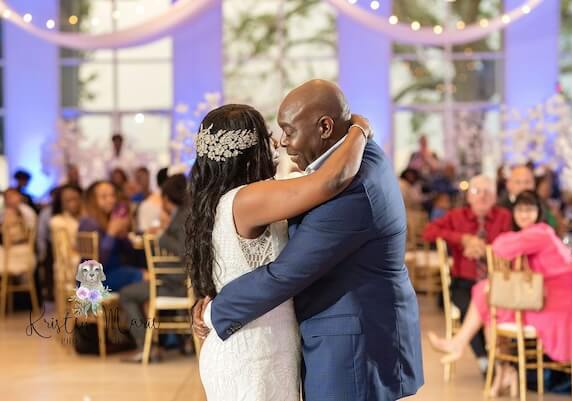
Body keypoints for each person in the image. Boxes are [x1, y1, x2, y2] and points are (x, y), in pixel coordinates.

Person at [193, 80, 423, 401]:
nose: (281, 143)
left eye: (287, 131)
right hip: (253, 344)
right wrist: (358, 128)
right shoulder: (257, 196)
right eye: (274, 135)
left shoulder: (348, 184)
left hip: (345, 348)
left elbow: (286, 272)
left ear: (325, 127)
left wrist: (213, 310)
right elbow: (326, 181)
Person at [428, 190, 572, 396]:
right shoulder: (535, 233)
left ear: (539, 212)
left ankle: (469, 349)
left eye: (530, 209)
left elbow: (500, 247)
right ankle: (504, 370)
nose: (524, 214)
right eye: (520, 209)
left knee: (487, 295)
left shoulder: (540, 232)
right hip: (543, 298)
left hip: (551, 305)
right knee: (488, 300)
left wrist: (502, 240)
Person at [423, 175, 512, 374]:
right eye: (476, 192)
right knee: (467, 306)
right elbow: (428, 231)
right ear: (468, 197)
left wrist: (486, 250)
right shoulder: (456, 216)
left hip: (496, 281)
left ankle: (496, 363)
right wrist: (461, 239)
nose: (481, 197)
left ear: (495, 197)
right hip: (464, 281)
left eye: (487, 193)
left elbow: (513, 245)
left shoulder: (504, 216)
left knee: (491, 306)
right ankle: (486, 361)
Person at [120, 174, 189, 363]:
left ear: (166, 198)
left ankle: (145, 347)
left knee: (127, 294)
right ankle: (171, 342)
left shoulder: (183, 217)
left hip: (179, 284)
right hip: (182, 281)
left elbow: (183, 250)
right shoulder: (187, 214)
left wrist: (160, 236)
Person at [78, 181, 143, 292]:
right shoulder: (88, 223)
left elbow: (128, 254)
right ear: (92, 201)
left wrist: (122, 236)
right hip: (94, 279)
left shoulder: (108, 220)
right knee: (144, 277)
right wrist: (111, 233)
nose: (111, 200)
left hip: (113, 271)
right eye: (104, 196)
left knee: (143, 273)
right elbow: (96, 263)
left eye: (112, 195)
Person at [499, 164, 557, 229]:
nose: (523, 186)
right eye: (518, 182)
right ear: (508, 184)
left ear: (534, 184)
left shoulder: (542, 205)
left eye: (527, 182)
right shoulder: (499, 208)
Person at [0, 188, 37, 276]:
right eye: (6, 197)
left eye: (10, 196)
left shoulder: (26, 211)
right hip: (8, 247)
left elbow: (30, 233)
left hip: (21, 249)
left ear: (18, 197)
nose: (8, 199)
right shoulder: (4, 212)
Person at [136, 167, 169, 232]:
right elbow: (144, 231)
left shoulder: (150, 200)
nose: (144, 180)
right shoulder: (147, 204)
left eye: (146, 177)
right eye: (140, 178)